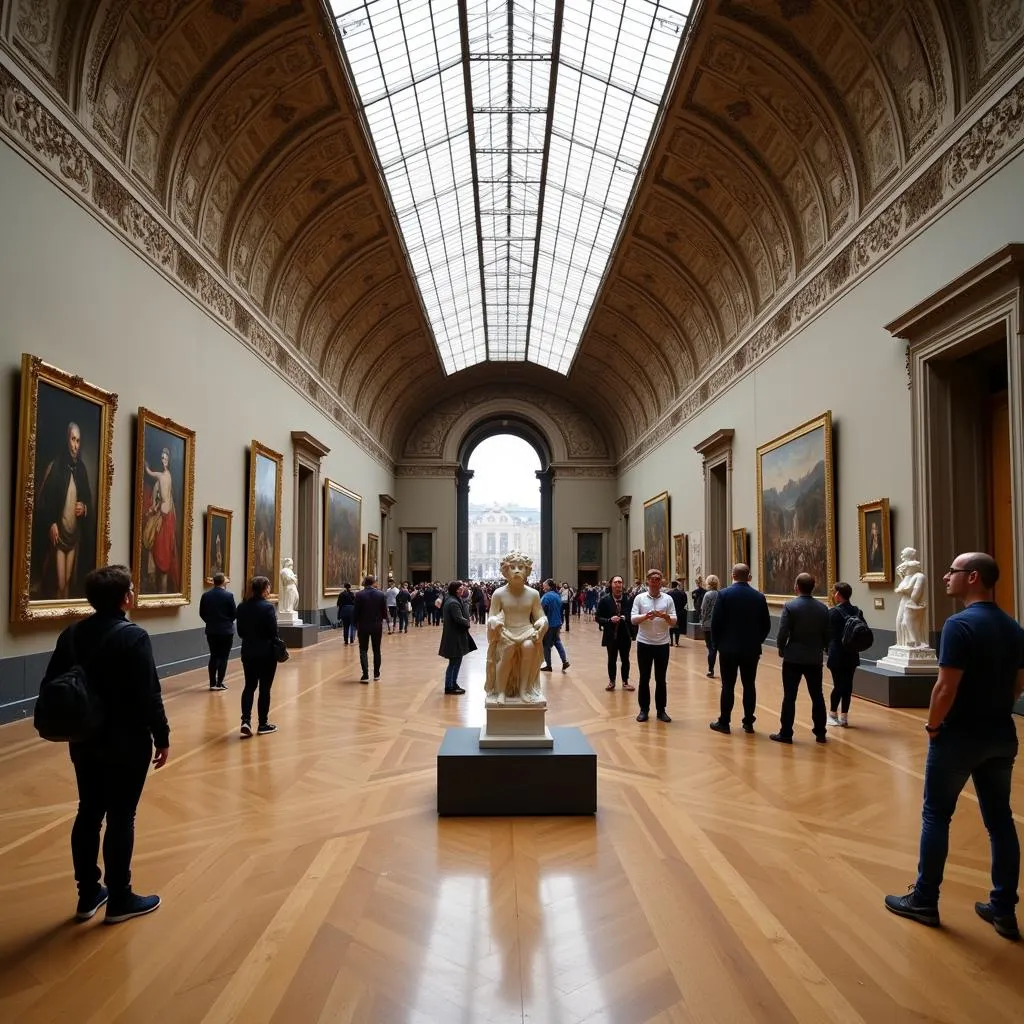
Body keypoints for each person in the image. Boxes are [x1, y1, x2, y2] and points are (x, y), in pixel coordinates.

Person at [885, 552, 1024, 939]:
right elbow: (1018, 684)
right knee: (1000, 823)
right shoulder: (1014, 627)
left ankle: (925, 900)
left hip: (959, 736)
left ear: (974, 577)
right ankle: (1003, 909)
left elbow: (944, 686)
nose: (945, 577)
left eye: (953, 572)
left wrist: (932, 726)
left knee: (936, 816)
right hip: (1000, 736)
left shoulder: (959, 625)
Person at [40, 564, 169, 923]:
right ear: (125, 597)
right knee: (121, 815)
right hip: (127, 740)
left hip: (85, 737)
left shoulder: (72, 634)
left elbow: (53, 682)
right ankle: (120, 898)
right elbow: (149, 695)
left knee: (88, 812)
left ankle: (88, 894)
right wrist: (163, 737)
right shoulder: (134, 637)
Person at [709, 563, 771, 735]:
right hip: (751, 649)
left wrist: (717, 644)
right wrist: (757, 641)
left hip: (728, 649)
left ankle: (724, 722)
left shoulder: (724, 594)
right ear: (748, 576)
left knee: (727, 685)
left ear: (733, 575)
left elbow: (716, 623)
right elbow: (766, 625)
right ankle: (748, 722)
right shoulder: (758, 597)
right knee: (749, 685)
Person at [34, 421, 94, 600]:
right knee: (60, 582)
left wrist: (84, 508)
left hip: (73, 535)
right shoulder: (58, 466)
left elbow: (88, 500)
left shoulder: (81, 469)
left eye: (78, 441)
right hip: (60, 535)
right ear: (67, 439)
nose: (75, 445)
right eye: (73, 439)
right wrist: (51, 522)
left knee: (67, 581)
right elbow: (46, 499)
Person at [772, 572, 830, 744]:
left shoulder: (790, 606)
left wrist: (781, 649)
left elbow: (783, 633)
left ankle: (786, 733)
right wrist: (823, 648)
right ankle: (820, 732)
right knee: (817, 695)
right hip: (814, 658)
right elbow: (827, 634)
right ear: (814, 587)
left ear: (796, 586)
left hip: (793, 658)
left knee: (789, 696)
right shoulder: (823, 608)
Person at [484, 552, 548, 703]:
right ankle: (501, 691)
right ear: (506, 571)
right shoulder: (498, 594)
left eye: (521, 567)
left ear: (527, 571)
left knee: (529, 647)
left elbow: (540, 615)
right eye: (512, 567)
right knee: (507, 651)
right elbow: (491, 616)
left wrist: (543, 622)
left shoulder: (533, 594)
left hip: (526, 630)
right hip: (507, 631)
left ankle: (523, 689)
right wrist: (494, 622)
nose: (517, 570)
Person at [235, 576, 281, 737]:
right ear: (263, 589)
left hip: (248, 652)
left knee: (249, 686)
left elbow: (240, 632)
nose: (269, 590)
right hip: (266, 654)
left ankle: (246, 720)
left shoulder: (241, 607)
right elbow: (273, 633)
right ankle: (262, 724)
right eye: (268, 587)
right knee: (264, 689)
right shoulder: (268, 608)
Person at [631, 568, 676, 723]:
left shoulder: (668, 599)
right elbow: (633, 619)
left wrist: (665, 616)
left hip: (662, 644)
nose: (655, 581)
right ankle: (644, 710)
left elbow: (674, 620)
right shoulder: (640, 598)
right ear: (647, 581)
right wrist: (646, 616)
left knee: (661, 678)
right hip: (644, 643)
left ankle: (661, 710)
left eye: (658, 579)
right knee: (644, 677)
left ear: (661, 581)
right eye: (652, 579)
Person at [141, 447, 178, 593]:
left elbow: (165, 500)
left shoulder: (166, 477)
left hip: (167, 518)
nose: (164, 460)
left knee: (165, 556)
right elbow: (151, 473)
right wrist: (146, 467)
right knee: (153, 546)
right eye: (162, 457)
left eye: (166, 457)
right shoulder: (160, 478)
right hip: (161, 517)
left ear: (169, 460)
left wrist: (156, 509)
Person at [827, 582, 862, 727]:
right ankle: (844, 716)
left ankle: (833, 713)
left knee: (837, 685)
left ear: (837, 594)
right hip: (852, 654)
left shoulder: (833, 612)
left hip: (837, 654)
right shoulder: (857, 611)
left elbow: (828, 633)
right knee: (848, 685)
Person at [596, 575, 635, 692]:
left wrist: (625, 617)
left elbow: (633, 614)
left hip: (625, 634)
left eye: (620, 582)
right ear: (611, 585)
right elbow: (597, 617)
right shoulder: (605, 600)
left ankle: (625, 682)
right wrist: (609, 620)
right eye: (616, 582)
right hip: (611, 635)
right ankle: (612, 681)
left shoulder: (629, 599)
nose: (618, 584)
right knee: (611, 659)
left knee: (625, 659)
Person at [199, 572, 236, 690]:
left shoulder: (206, 596)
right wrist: (227, 621)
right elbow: (234, 613)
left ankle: (212, 683)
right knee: (224, 657)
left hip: (211, 630)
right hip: (226, 631)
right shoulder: (228, 596)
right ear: (223, 582)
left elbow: (202, 613)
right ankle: (220, 683)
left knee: (214, 656)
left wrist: (210, 622)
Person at [439, 581, 477, 694]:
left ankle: (453, 683)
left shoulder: (453, 599)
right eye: (461, 588)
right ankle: (449, 686)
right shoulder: (453, 603)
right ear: (456, 590)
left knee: (456, 660)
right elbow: (459, 618)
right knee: (454, 662)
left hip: (454, 635)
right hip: (454, 636)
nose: (463, 590)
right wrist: (467, 622)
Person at [353, 574, 388, 682]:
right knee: (376, 650)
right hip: (377, 626)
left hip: (363, 626)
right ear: (373, 583)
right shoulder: (381, 594)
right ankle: (376, 674)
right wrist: (384, 620)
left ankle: (365, 675)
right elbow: (384, 612)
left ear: (365, 583)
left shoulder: (359, 595)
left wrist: (355, 625)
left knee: (363, 650)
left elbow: (356, 612)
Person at [540, 578, 570, 672]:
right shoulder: (557, 596)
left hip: (549, 624)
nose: (543, 587)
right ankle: (564, 661)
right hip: (557, 623)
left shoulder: (546, 597)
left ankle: (548, 665)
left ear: (549, 586)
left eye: (544, 586)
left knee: (546, 645)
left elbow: (541, 611)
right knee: (557, 642)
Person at [700, 574, 720, 678]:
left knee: (710, 648)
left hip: (708, 625)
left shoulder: (707, 595)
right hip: (719, 625)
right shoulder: (720, 594)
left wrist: (702, 622)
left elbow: (703, 610)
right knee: (717, 647)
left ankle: (710, 669)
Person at [667, 579, 688, 646]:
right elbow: (685, 601)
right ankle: (677, 642)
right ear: (677, 585)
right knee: (677, 628)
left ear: (671, 585)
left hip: (670, 612)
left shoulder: (668, 593)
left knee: (670, 627)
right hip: (679, 612)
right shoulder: (682, 593)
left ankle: (671, 642)